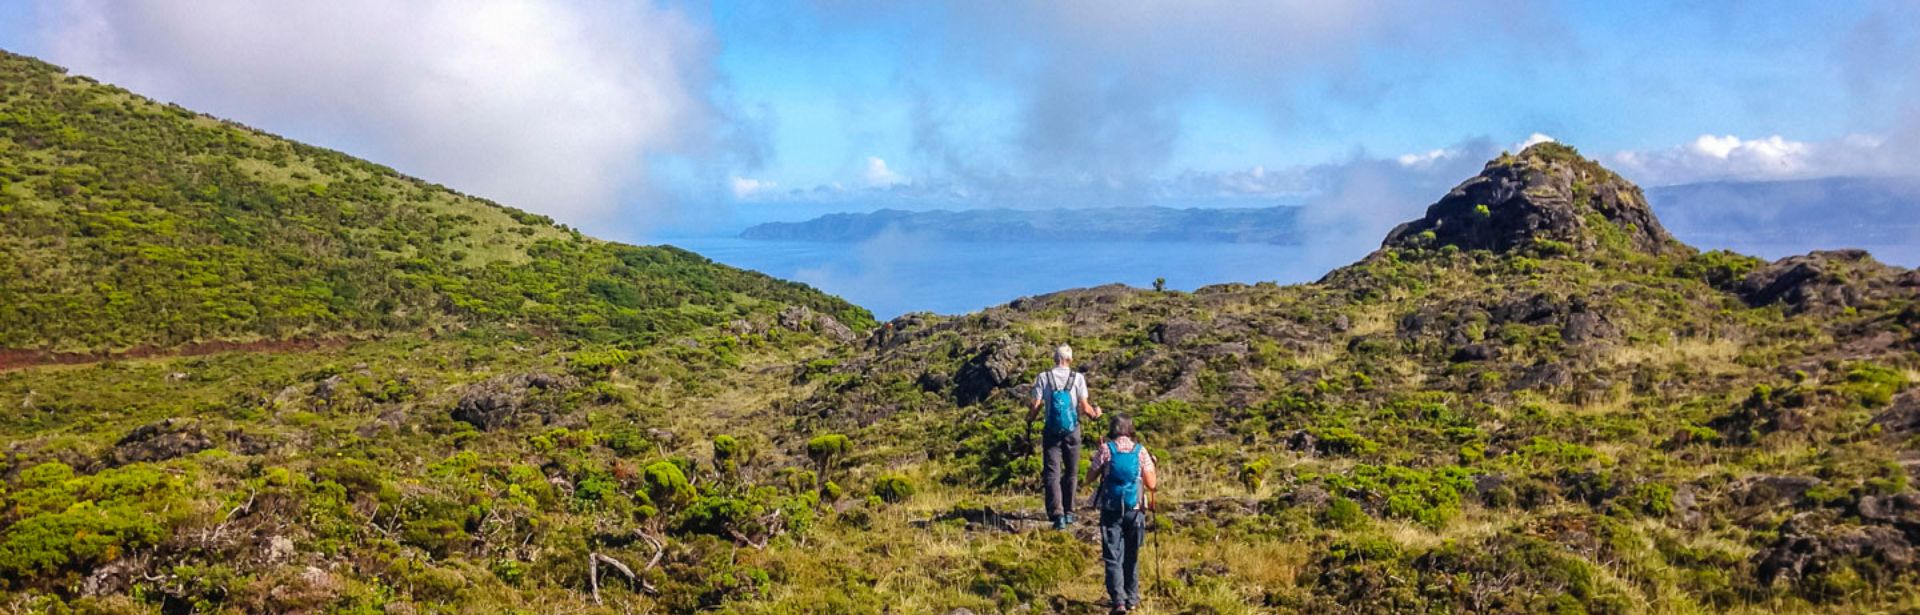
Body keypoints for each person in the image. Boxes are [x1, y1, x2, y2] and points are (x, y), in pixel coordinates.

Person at [1088, 415, 1157, 614]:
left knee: (1112, 556)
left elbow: (1089, 477)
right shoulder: (1141, 451)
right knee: (1131, 555)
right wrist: (1154, 465)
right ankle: (1132, 599)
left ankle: (1118, 601)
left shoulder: (1106, 449)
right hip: (1135, 511)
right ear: (1131, 430)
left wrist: (1098, 458)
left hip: (1111, 509)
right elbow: (1152, 485)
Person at [1028, 343, 1101, 530]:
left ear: (1055, 358)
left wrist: (1029, 419)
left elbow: (1036, 405)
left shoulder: (1044, 377)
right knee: (1071, 471)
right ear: (1070, 359)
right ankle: (1069, 512)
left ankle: (1057, 514)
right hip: (1072, 430)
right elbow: (1084, 407)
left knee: (1052, 472)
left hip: (1051, 431)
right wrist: (1096, 415)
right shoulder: (1078, 378)